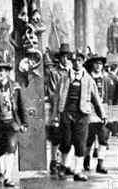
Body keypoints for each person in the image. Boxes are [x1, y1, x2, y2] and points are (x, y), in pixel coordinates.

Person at [52, 50, 107, 181]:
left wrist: (102, 115)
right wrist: (55, 116)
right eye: (74, 60)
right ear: (71, 62)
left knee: (81, 144)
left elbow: (96, 99)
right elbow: (56, 99)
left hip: (82, 115)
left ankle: (78, 171)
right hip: (66, 113)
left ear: (83, 62)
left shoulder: (88, 79)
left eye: (79, 61)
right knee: (66, 141)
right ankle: (63, 167)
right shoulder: (64, 78)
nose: (77, 63)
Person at [45, 43, 72, 173]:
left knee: (68, 136)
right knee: (56, 135)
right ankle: (53, 160)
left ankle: (64, 162)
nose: (65, 59)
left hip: (70, 109)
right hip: (56, 108)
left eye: (67, 57)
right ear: (59, 57)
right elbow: (52, 92)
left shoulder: (72, 72)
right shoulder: (54, 73)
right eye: (63, 56)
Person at [82, 54, 110, 174]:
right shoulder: (87, 78)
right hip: (90, 110)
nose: (98, 66)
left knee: (103, 137)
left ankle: (100, 163)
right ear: (92, 65)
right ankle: (87, 158)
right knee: (89, 137)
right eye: (96, 63)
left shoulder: (106, 79)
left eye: (100, 64)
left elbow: (110, 96)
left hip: (103, 110)